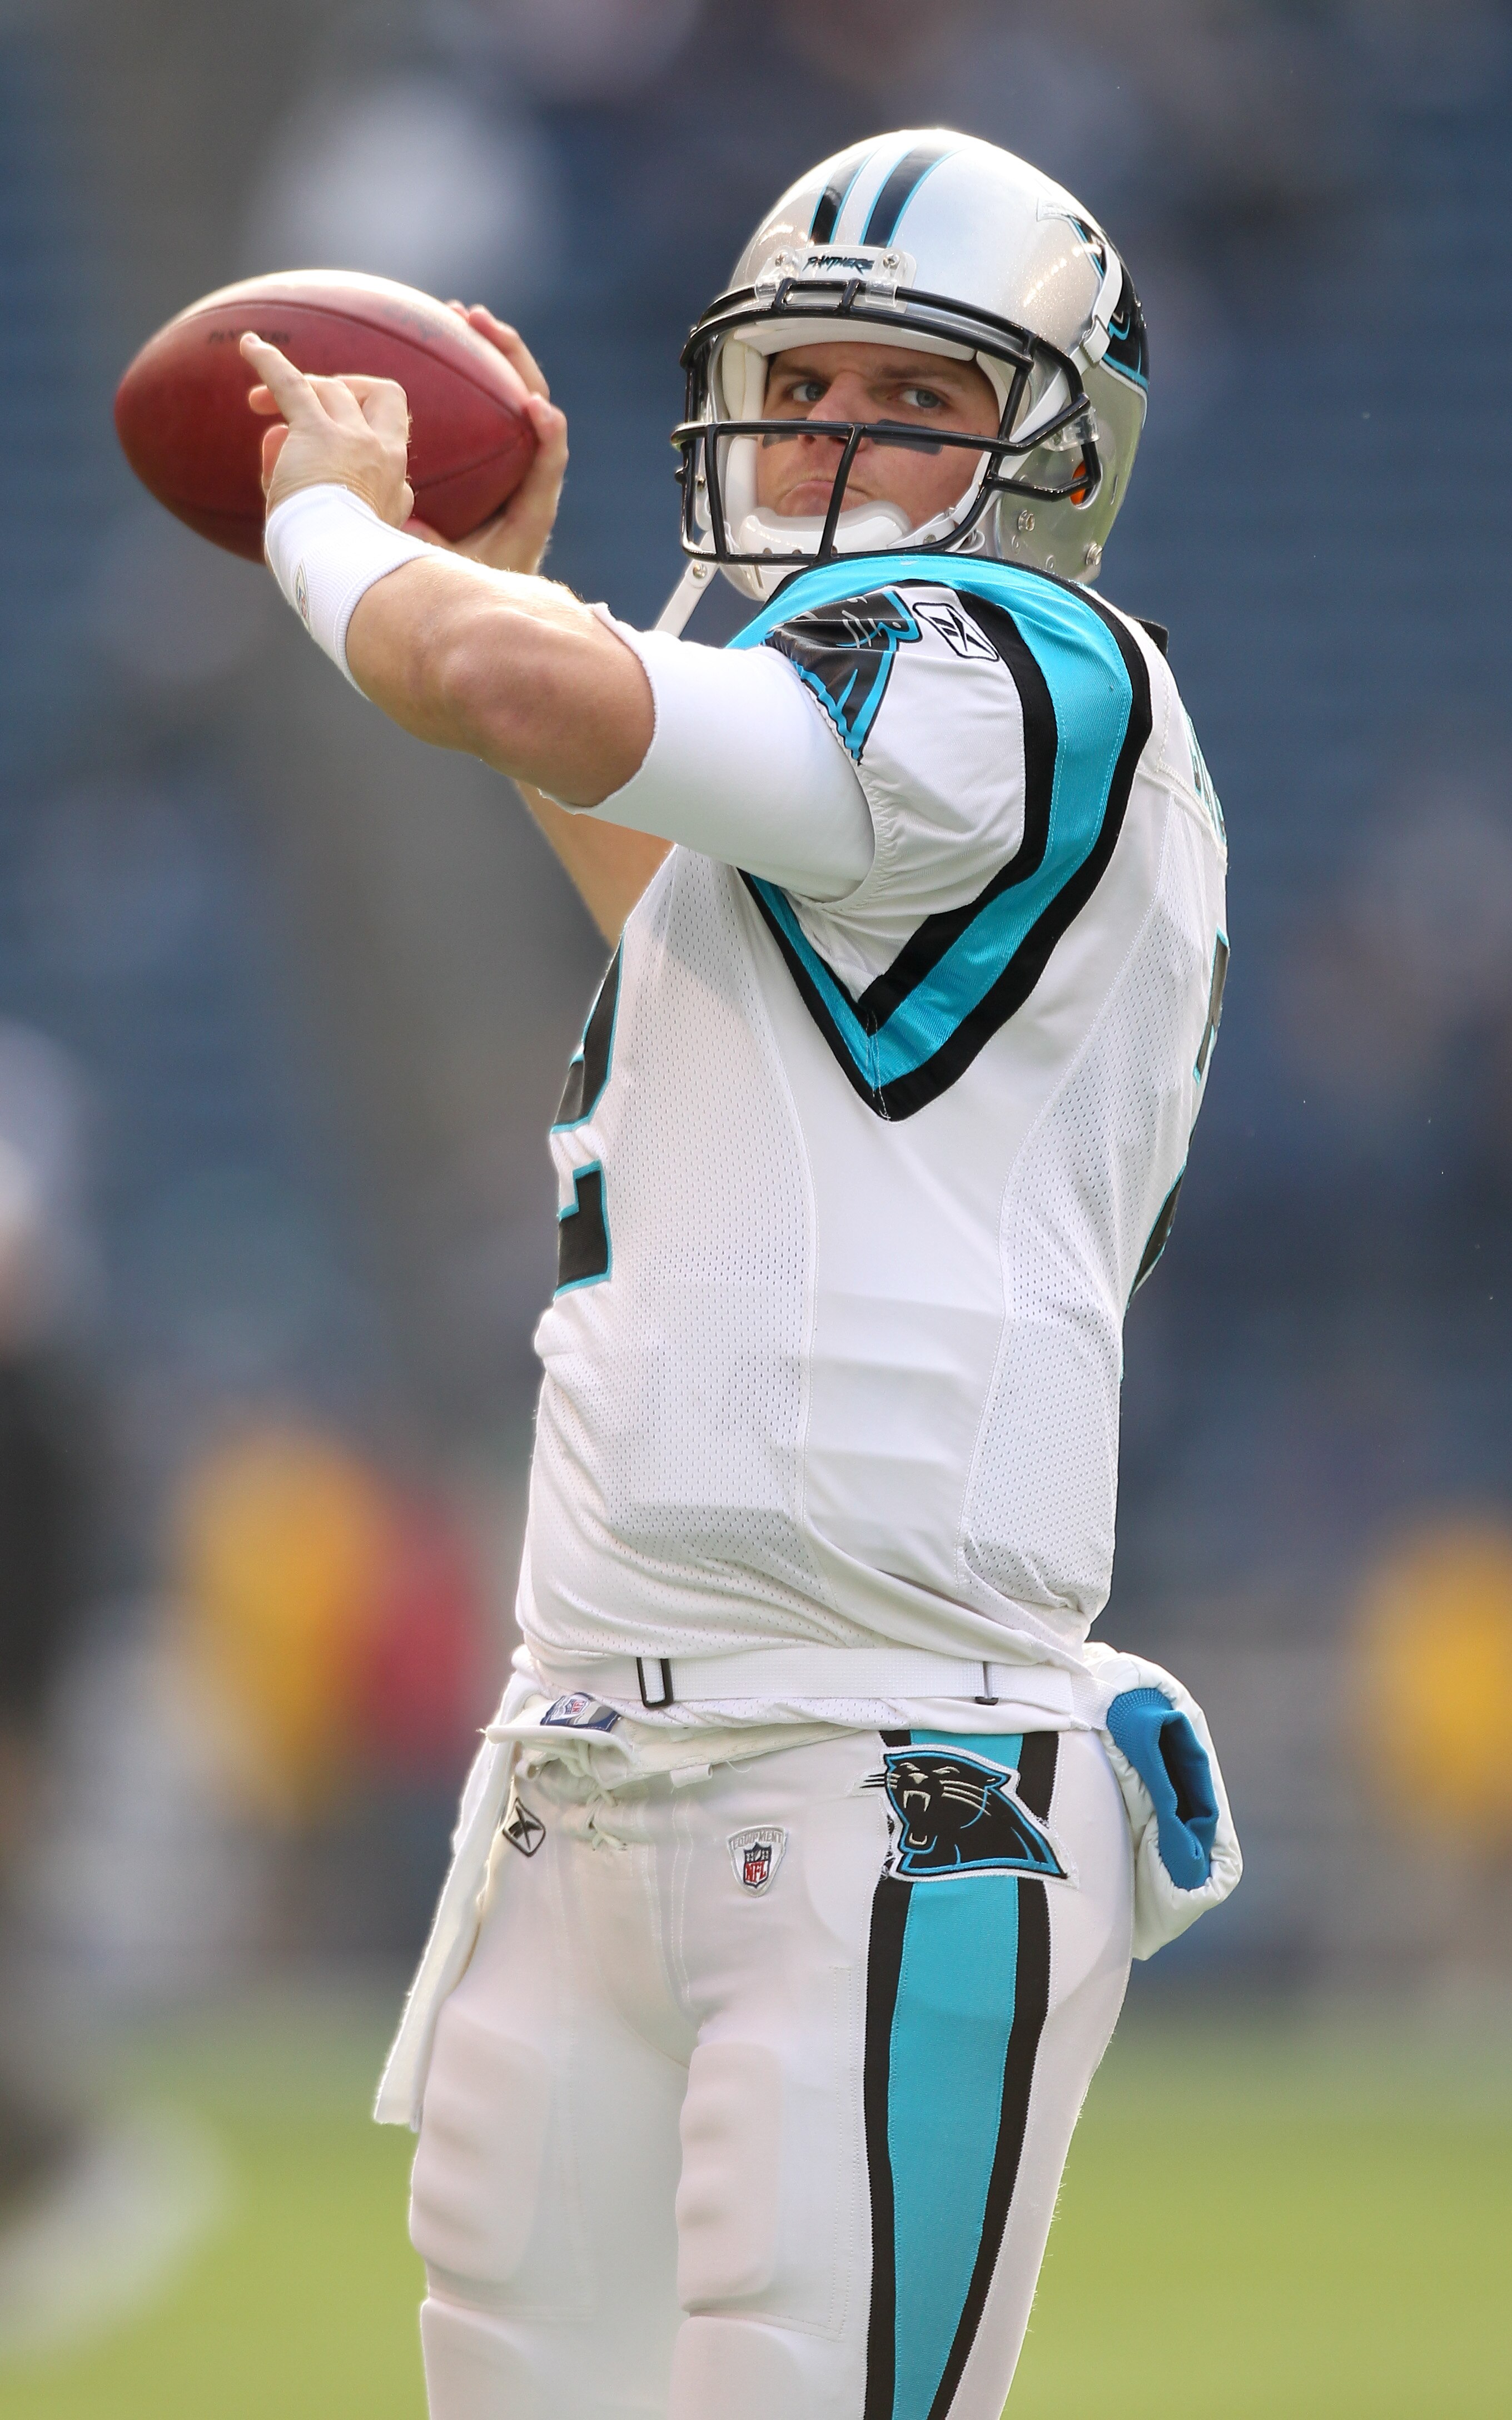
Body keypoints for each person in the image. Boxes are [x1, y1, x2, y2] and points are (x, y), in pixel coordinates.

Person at [242, 130, 1241, 2420]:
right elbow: (690, 920)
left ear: (1051, 439)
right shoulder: (848, 767)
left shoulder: (1025, 657)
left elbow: (513, 693)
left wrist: (329, 527)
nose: (830, 444)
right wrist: (505, 592)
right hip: (588, 1756)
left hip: (891, 1763)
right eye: (802, 388)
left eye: (907, 395)